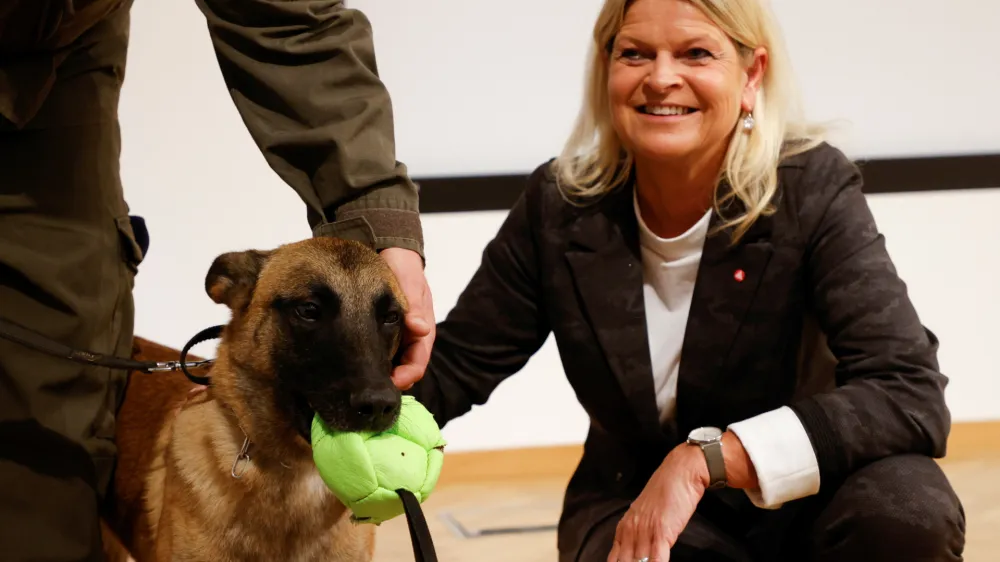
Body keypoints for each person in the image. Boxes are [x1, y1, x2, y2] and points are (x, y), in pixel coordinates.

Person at [406, 0, 965, 560]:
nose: (661, 78)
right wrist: (342, 411)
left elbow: (906, 391)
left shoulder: (810, 189)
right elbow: (456, 367)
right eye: (635, 54)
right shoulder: (558, 206)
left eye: (696, 53)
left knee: (907, 516)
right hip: (635, 493)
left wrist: (708, 460)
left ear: (751, 75)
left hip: (815, 487)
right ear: (606, 71)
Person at [0, 0, 433, 559]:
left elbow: (292, 19)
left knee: (40, 466)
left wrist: (378, 213)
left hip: (44, 74)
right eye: (306, 311)